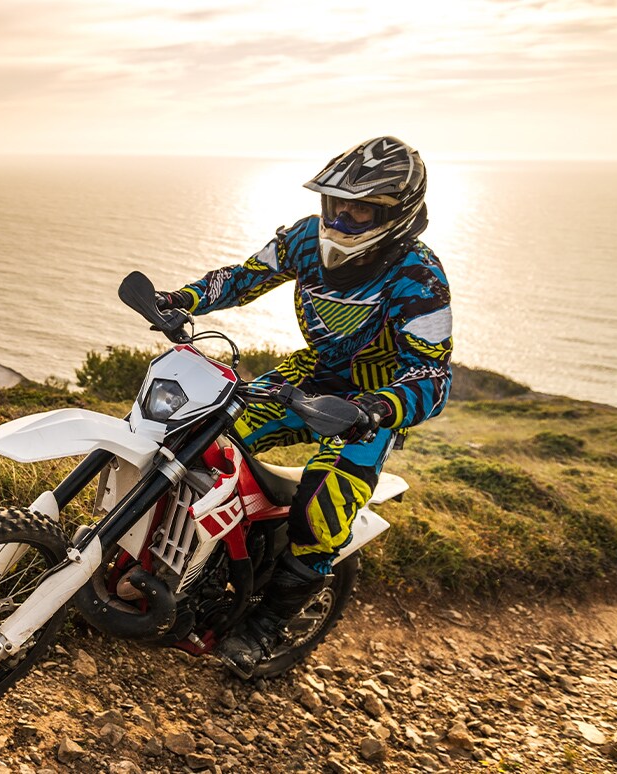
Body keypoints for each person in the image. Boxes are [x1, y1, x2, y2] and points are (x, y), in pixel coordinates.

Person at [156, 136, 453, 679]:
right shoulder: (303, 238)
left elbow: (434, 375)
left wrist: (378, 409)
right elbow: (244, 277)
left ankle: (264, 626)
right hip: (308, 376)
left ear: (396, 213)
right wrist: (182, 299)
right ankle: (180, 564)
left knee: (322, 509)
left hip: (368, 405)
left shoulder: (420, 276)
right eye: (335, 203)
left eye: (359, 209)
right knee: (198, 437)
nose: (340, 218)